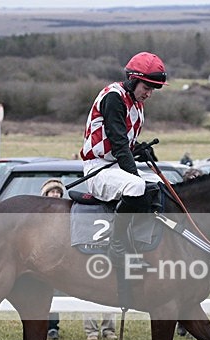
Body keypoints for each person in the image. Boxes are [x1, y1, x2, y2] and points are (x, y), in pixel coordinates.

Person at [79, 51, 167, 267]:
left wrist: (139, 149)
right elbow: (118, 144)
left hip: (114, 167)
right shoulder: (113, 97)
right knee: (137, 185)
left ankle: (140, 243)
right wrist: (133, 170)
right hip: (98, 169)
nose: (149, 94)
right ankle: (117, 247)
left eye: (152, 90)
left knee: (159, 185)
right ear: (133, 80)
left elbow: (124, 142)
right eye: (146, 88)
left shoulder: (135, 102)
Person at [41, 178, 66, 340]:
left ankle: (53, 327)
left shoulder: (66, 214)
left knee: (56, 296)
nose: (55, 195)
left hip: (59, 260)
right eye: (53, 192)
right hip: (42, 260)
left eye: (58, 192)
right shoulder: (39, 215)